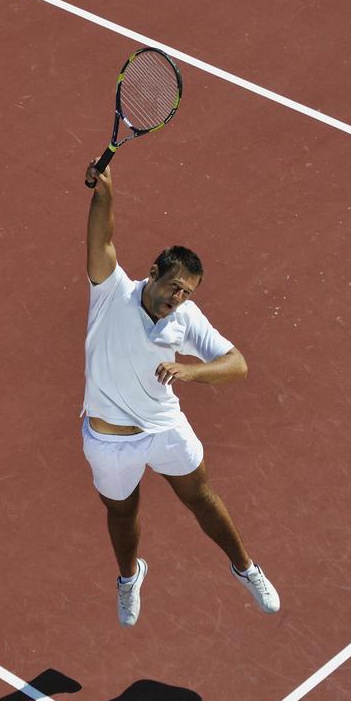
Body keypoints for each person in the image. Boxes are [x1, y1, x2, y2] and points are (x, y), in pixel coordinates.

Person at [82, 160, 280, 627]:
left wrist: (191, 372)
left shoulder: (185, 319)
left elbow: (238, 365)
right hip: (109, 439)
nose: (178, 298)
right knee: (122, 512)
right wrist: (103, 190)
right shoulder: (111, 291)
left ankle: (246, 567)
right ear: (152, 274)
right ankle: (130, 577)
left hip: (164, 427)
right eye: (174, 287)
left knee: (201, 496)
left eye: (187, 293)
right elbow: (102, 238)